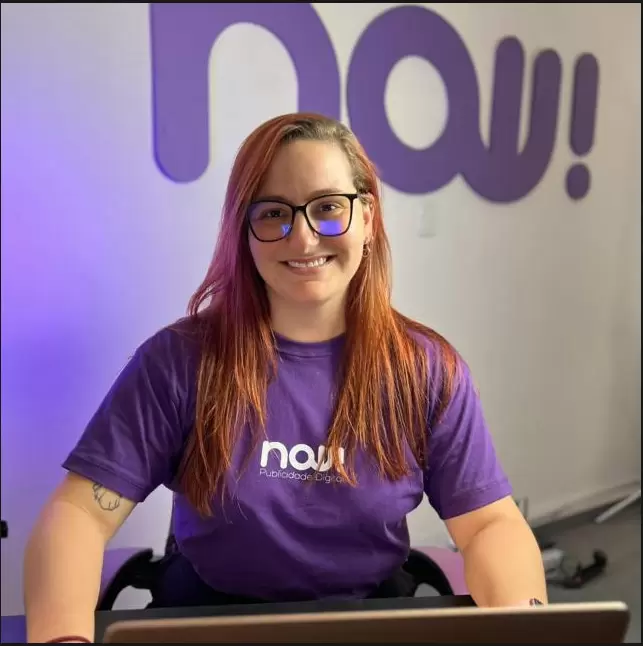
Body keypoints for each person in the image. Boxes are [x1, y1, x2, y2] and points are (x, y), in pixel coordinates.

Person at [24, 113, 547, 643]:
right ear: (244, 231)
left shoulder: (425, 370)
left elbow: (489, 525)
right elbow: (81, 513)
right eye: (274, 213)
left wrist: (526, 627)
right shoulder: (179, 362)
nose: (303, 236)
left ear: (367, 217)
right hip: (207, 623)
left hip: (368, 620)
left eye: (328, 208)